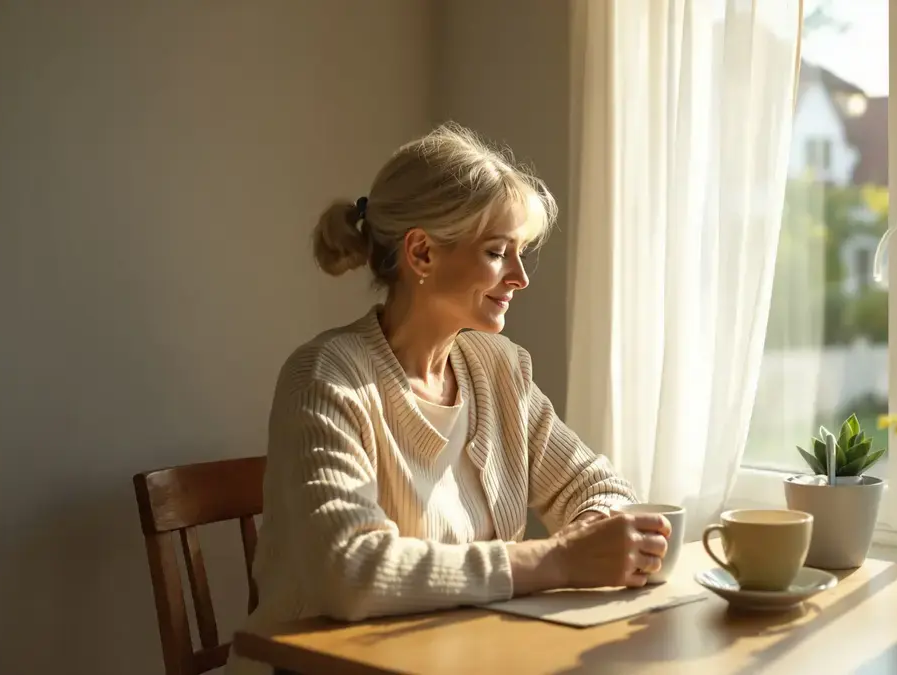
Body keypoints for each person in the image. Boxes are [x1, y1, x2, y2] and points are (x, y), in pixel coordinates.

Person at [226, 124, 670, 675]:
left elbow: (599, 488)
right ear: (421, 252)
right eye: (497, 252)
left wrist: (595, 540)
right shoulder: (325, 377)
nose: (520, 277)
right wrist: (556, 560)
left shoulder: (499, 369)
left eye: (521, 252)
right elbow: (350, 573)